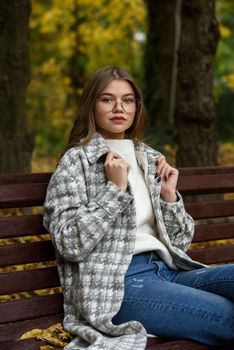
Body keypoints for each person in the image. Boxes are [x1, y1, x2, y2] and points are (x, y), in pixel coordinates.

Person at [43, 66, 234, 350]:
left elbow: (180, 243)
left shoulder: (150, 158)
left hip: (168, 271)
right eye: (107, 99)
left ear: (136, 107)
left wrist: (170, 196)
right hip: (117, 287)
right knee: (227, 318)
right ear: (91, 106)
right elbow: (69, 243)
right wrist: (114, 191)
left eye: (128, 100)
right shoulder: (77, 162)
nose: (119, 107)